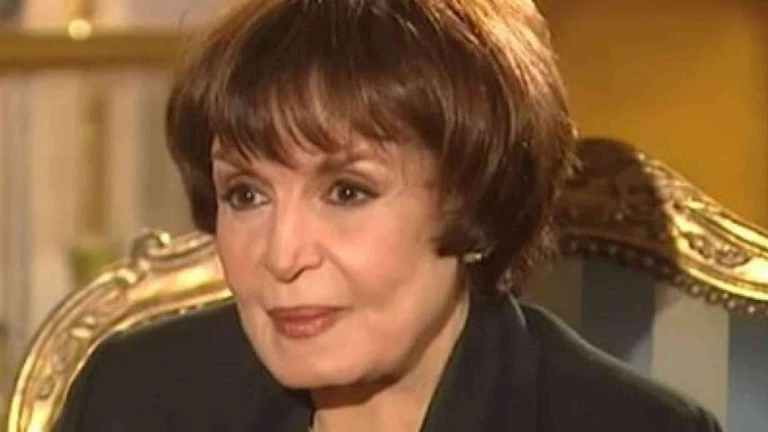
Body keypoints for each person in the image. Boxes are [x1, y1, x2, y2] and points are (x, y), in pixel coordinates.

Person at [54, 0, 723, 431]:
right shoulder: (132, 395)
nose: (282, 256)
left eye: (347, 192)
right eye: (247, 195)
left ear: (474, 195)